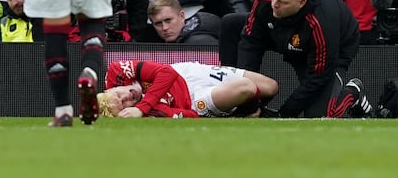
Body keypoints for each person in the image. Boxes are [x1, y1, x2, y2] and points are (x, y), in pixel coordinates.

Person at [235, 0, 361, 118]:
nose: (274, 4)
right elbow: (250, 41)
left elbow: (318, 77)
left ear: (301, 2)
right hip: (282, 32)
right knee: (230, 24)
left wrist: (284, 114)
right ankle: (233, 94)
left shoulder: (322, 23)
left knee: (320, 115)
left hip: (336, 46)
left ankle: (354, 92)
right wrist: (247, 97)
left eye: (283, 2)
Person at [98, 59, 278, 118]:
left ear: (109, 89)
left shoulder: (117, 72)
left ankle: (252, 110)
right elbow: (190, 116)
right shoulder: (149, 116)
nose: (127, 95)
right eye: (124, 104)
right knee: (245, 88)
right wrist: (146, 110)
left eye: (118, 93)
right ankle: (244, 111)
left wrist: (141, 106)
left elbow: (166, 73)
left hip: (187, 73)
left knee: (271, 87)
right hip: (194, 100)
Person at [147, 0, 220, 44]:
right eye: (158, 23)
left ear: (182, 16)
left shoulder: (198, 42)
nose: (164, 28)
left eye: (168, 20)